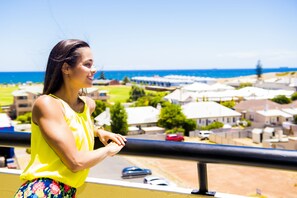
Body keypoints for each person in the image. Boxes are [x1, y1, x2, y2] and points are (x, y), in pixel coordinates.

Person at [14, 39, 126, 197]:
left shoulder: (88, 105)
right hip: (43, 191)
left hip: (66, 192)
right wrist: (108, 150)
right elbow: (76, 162)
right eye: (87, 64)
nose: (93, 69)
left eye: (93, 64)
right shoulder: (47, 104)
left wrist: (97, 131)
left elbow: (71, 124)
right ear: (66, 68)